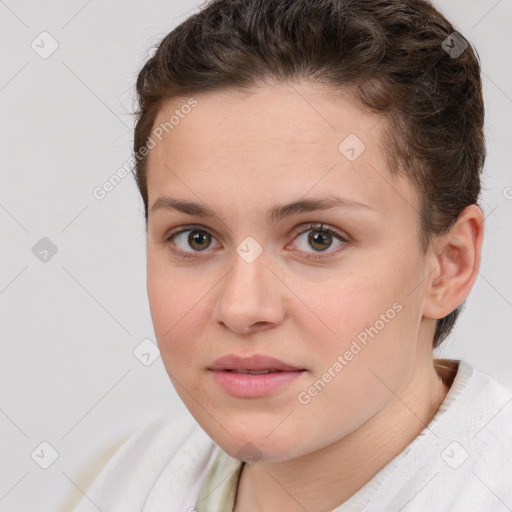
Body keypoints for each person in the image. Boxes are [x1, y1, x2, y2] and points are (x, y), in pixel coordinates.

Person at [72, 0, 512, 510]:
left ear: (448, 265)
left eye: (318, 238)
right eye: (196, 237)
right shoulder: (130, 480)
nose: (241, 308)